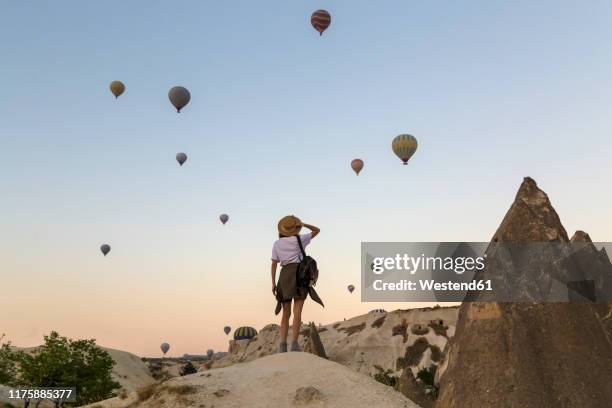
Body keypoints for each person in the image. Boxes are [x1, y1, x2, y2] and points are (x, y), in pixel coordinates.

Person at [271, 215, 320, 352]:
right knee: (297, 311)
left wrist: (274, 283)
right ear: (295, 228)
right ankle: (294, 344)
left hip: (284, 276)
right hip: (299, 275)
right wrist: (303, 224)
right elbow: (317, 230)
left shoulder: (277, 244)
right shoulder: (300, 239)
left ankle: (282, 345)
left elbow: (274, 264)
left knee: (285, 314)